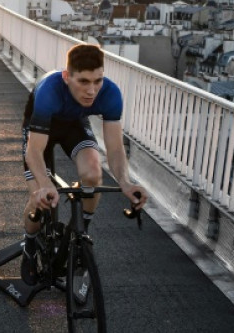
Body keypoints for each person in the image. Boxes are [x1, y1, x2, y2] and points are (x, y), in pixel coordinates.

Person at [20, 43, 148, 289]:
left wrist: (125, 182)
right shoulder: (50, 91)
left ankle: (80, 235)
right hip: (39, 131)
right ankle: (29, 244)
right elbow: (34, 151)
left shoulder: (110, 93)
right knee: (38, 195)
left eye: (97, 80)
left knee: (92, 173)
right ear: (67, 77)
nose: (92, 90)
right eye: (84, 81)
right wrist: (45, 185)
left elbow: (114, 147)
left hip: (73, 127)